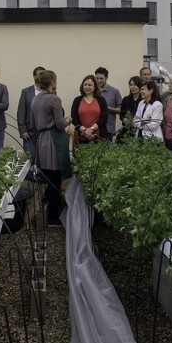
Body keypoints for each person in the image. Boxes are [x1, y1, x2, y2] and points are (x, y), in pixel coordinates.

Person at [31, 70, 74, 226]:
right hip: (53, 140)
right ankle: (52, 217)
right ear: (52, 82)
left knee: (48, 178)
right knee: (55, 179)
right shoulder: (54, 99)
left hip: (41, 140)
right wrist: (68, 119)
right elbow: (60, 124)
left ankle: (47, 210)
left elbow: (32, 124)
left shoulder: (35, 99)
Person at [17, 66, 46, 166]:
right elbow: (21, 111)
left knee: (44, 158)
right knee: (30, 157)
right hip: (29, 132)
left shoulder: (51, 91)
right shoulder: (26, 92)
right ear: (34, 76)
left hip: (44, 131)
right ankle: (31, 180)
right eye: (39, 74)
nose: (41, 76)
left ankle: (42, 180)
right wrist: (22, 130)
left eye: (43, 74)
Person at [71, 74, 109, 143]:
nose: (87, 87)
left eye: (89, 85)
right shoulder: (77, 100)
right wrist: (84, 130)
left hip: (99, 137)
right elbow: (74, 118)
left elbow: (104, 118)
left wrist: (91, 129)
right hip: (81, 137)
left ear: (95, 87)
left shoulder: (101, 100)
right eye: (85, 85)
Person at [95, 67, 122, 138]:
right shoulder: (92, 91)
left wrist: (107, 109)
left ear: (106, 78)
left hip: (108, 128)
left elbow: (121, 110)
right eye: (97, 78)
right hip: (93, 128)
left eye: (101, 78)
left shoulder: (114, 91)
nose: (99, 81)